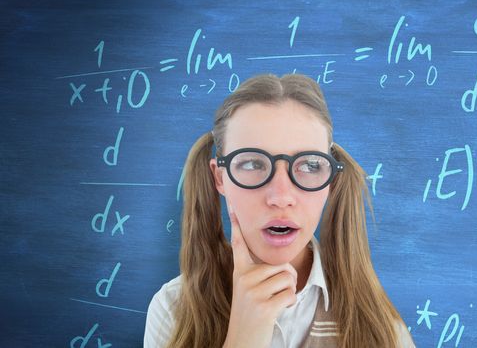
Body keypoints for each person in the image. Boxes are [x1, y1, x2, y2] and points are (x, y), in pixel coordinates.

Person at [144, 74, 416, 347]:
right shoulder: (173, 310)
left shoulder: (381, 329)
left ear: (330, 180)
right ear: (219, 178)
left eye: (310, 165)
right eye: (252, 164)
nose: (281, 197)